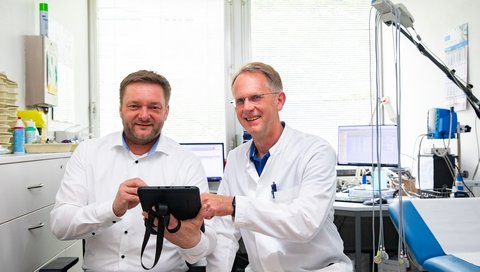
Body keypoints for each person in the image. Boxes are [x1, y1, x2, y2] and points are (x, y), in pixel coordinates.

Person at [50, 70, 216, 272]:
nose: (144, 115)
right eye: (134, 106)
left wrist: (183, 235)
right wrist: (111, 209)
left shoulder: (187, 162)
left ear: (166, 111)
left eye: (154, 107)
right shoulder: (88, 153)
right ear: (121, 109)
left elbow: (202, 251)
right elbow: (60, 226)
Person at [202, 62, 352, 271]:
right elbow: (225, 234)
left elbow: (304, 223)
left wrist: (234, 205)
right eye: (240, 101)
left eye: (256, 97)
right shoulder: (236, 159)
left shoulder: (315, 151)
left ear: (279, 100)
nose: (247, 108)